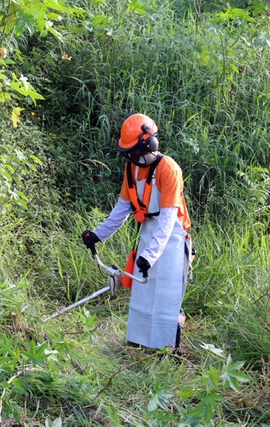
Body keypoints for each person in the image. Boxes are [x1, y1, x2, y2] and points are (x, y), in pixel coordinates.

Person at [81, 113, 192, 350]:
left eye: (134, 151)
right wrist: (98, 234)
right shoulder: (131, 169)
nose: (131, 157)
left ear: (149, 143)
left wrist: (149, 257)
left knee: (167, 296)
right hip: (148, 232)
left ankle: (169, 349)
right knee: (143, 294)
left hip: (171, 236)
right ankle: (139, 344)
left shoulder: (168, 169)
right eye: (128, 153)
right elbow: (122, 208)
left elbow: (168, 218)